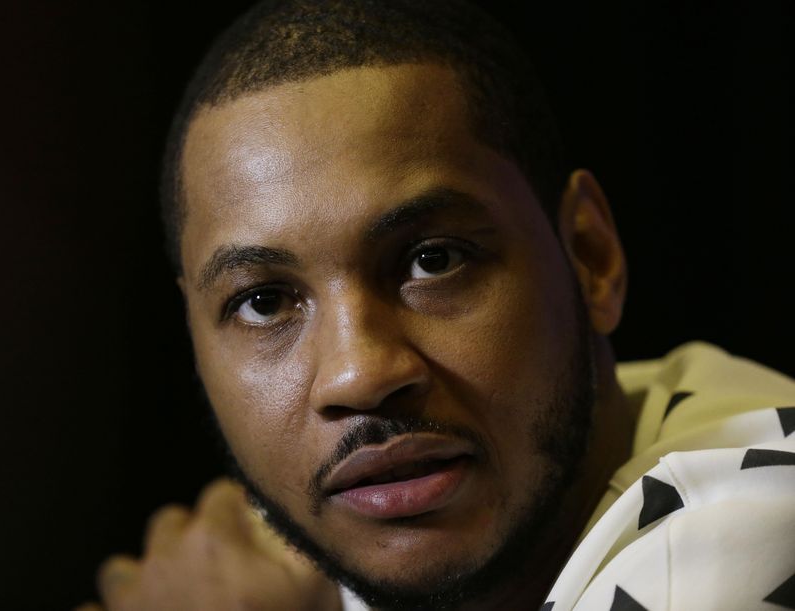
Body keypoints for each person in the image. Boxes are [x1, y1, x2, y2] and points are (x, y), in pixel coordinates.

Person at [80, 1, 795, 609]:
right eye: (264, 302)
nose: (358, 373)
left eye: (433, 260)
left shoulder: (746, 513)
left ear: (589, 257)